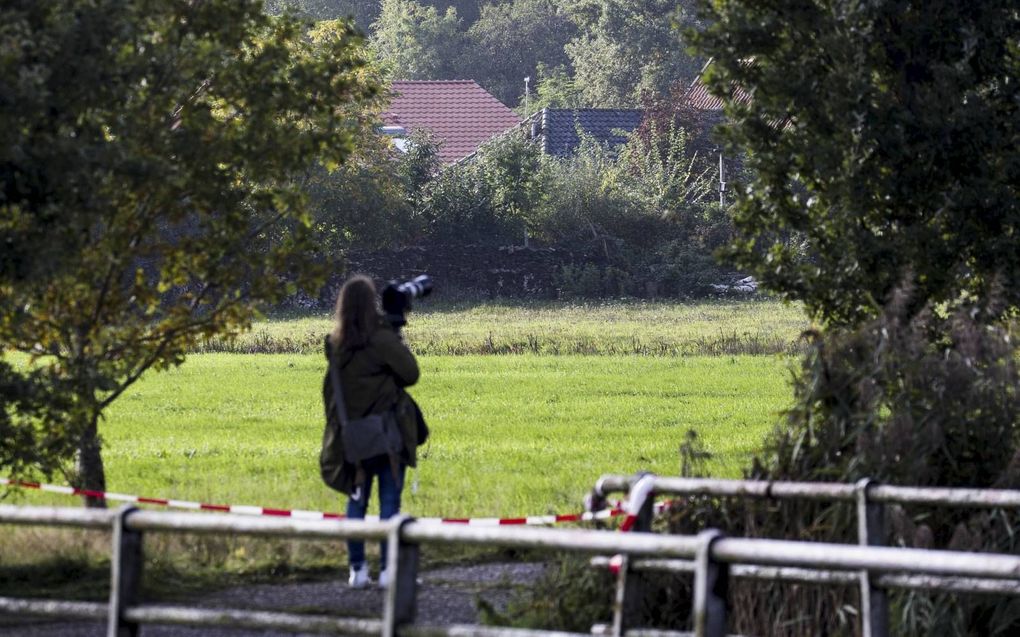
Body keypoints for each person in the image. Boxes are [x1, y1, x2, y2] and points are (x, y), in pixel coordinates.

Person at [324, 275, 423, 589]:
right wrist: (393, 331)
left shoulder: (336, 346)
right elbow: (410, 373)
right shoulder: (380, 340)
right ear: (371, 305)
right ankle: (388, 573)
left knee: (357, 503)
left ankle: (358, 571)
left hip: (353, 438)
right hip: (387, 435)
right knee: (389, 506)